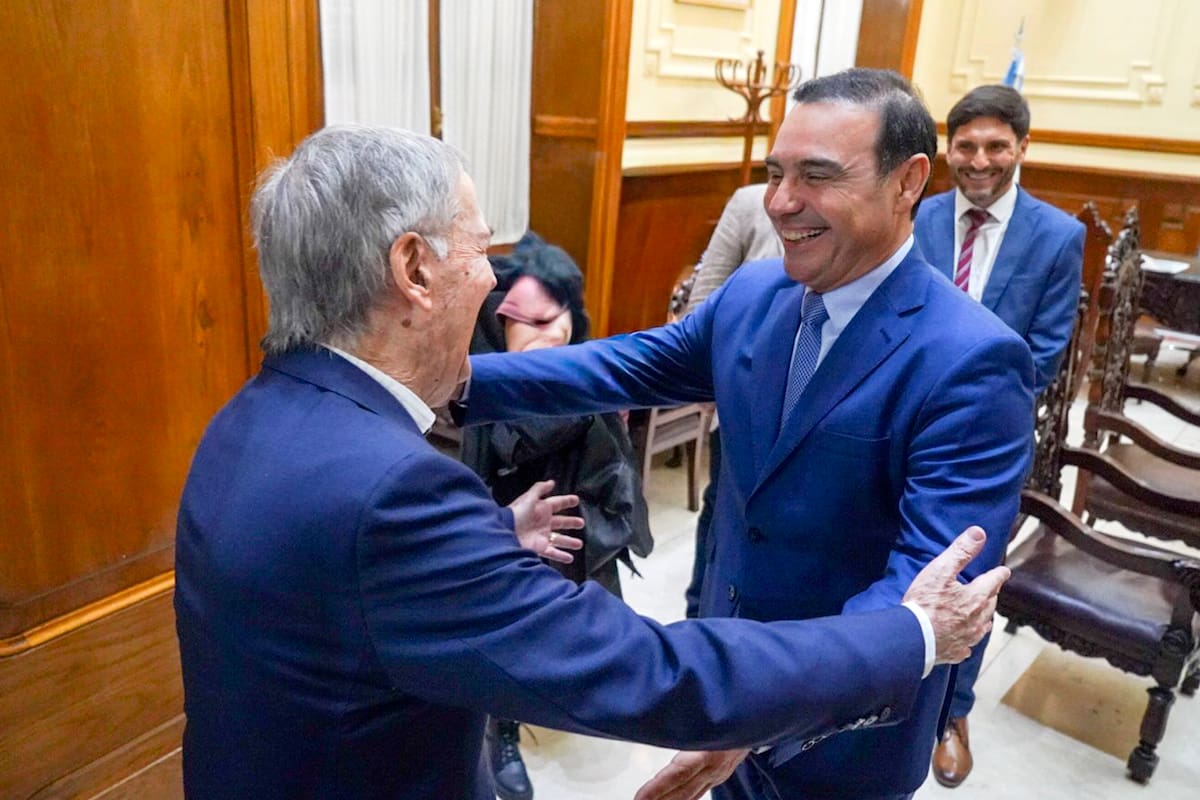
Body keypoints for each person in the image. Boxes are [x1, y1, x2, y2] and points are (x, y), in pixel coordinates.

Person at [174, 124, 1009, 800]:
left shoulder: (252, 417)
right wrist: (913, 634)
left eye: (817, 174)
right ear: (414, 270)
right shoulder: (396, 490)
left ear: (905, 182)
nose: (496, 284)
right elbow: (648, 673)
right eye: (480, 249)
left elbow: (344, 585)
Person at [460, 68, 1035, 800]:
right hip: (725, 677)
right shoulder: (757, 293)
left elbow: (923, 592)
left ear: (908, 181)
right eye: (776, 172)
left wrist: (762, 713)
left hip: (840, 737)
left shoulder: (972, 361)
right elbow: (625, 364)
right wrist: (458, 384)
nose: (780, 202)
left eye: (817, 176)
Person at [913, 84, 1084, 789]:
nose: (979, 160)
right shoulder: (916, 216)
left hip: (989, 442)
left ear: (1021, 148)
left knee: (973, 575)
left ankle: (952, 711)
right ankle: (884, 689)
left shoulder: (1057, 235)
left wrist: (955, 389)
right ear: (946, 148)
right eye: (965, 146)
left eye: (995, 146)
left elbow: (1042, 354)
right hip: (903, 424)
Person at [461, 232, 653, 800]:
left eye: (560, 313)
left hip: (576, 528)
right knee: (503, 640)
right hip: (506, 535)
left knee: (576, 626)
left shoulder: (583, 368)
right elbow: (499, 446)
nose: (553, 331)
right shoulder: (476, 380)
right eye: (532, 319)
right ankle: (502, 732)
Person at [680, 184, 782, 619]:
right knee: (723, 507)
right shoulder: (749, 203)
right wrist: (706, 377)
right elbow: (705, 296)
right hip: (744, 400)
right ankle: (698, 615)